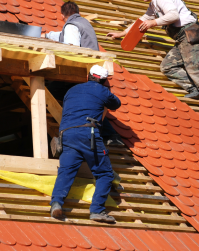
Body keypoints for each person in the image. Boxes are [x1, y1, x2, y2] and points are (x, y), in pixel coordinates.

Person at [44, 1, 124, 146]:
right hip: (92, 72)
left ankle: (79, 123)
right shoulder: (84, 24)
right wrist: (47, 35)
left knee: (51, 92)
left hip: (78, 73)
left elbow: (72, 48)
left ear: (62, 16)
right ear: (78, 12)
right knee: (88, 104)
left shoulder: (71, 26)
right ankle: (111, 135)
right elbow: (62, 35)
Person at [50, 65, 121, 222]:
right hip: (87, 133)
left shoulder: (71, 91)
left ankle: (56, 203)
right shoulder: (102, 91)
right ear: (103, 80)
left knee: (66, 171)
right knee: (105, 174)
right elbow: (116, 104)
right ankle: (97, 210)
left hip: (66, 134)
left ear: (88, 76)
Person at [107, 0, 199, 99]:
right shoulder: (153, 4)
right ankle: (194, 89)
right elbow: (143, 20)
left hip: (189, 36)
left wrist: (153, 22)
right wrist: (122, 33)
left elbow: (174, 15)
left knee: (193, 69)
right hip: (181, 40)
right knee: (168, 66)